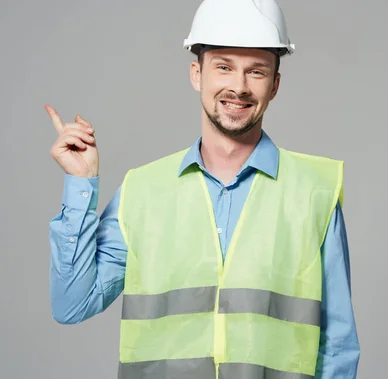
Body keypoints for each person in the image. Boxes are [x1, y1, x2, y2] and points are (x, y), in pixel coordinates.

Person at [47, 0, 360, 378]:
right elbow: (71, 304)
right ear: (197, 74)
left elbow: (338, 346)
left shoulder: (315, 191)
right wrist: (81, 184)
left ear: (275, 85)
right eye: (224, 67)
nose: (239, 87)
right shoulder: (142, 191)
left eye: (256, 72)